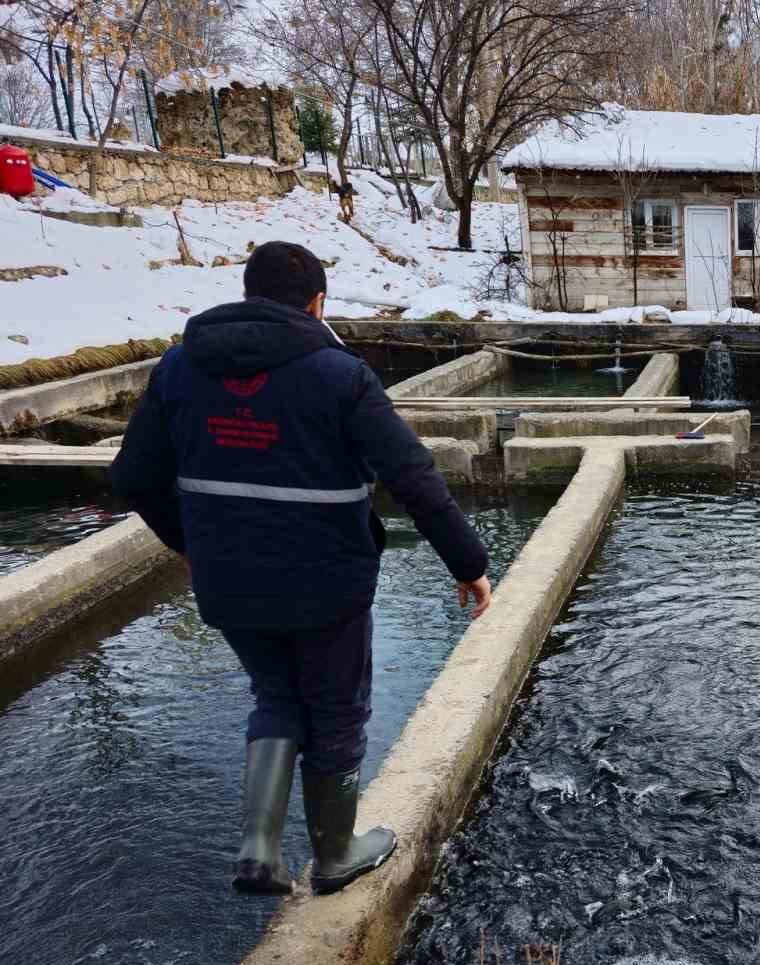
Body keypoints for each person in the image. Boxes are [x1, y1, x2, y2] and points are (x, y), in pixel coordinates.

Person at [109, 241, 493, 897]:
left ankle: (257, 848)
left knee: (276, 695)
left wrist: (192, 544)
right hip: (325, 582)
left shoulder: (178, 369)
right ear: (318, 303)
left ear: (247, 293)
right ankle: (336, 853)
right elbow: (412, 476)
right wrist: (469, 562)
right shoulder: (339, 376)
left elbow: (134, 477)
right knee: (337, 712)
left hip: (229, 583)